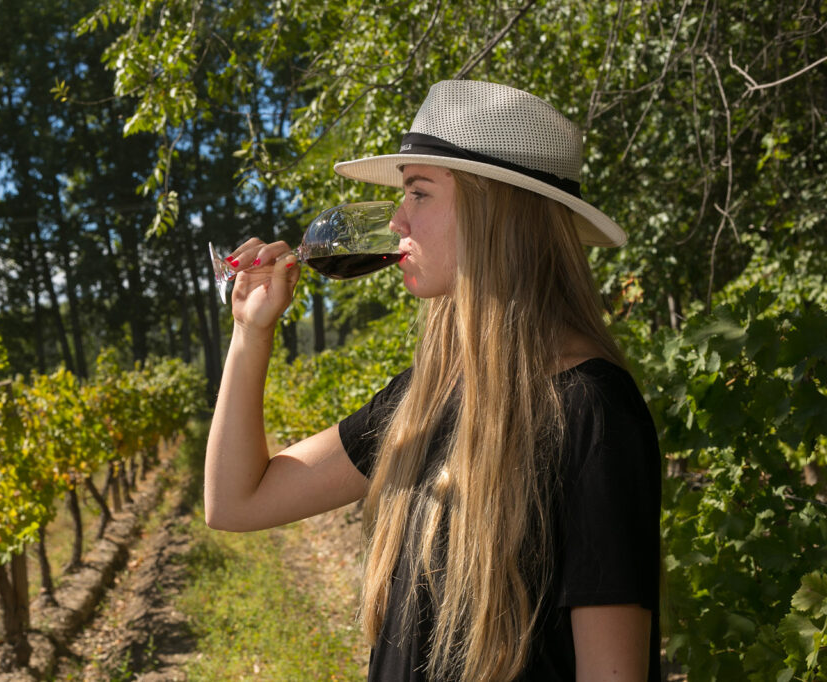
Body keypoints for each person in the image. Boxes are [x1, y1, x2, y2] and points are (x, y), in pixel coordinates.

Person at [204, 80, 661, 681]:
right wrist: (249, 333)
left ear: (497, 212)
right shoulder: (425, 396)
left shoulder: (592, 412)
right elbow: (235, 503)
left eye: (418, 193)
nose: (397, 219)